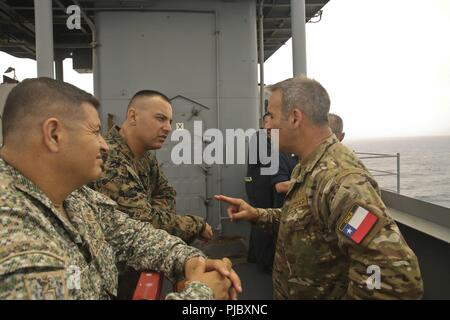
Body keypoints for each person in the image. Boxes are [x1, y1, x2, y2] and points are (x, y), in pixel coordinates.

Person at [0, 78, 241, 299]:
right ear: (54, 135)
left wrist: (188, 260)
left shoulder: (74, 196)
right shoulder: (16, 236)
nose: (105, 144)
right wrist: (201, 294)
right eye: (95, 131)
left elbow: (132, 235)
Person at [215, 75, 423, 299]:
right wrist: (258, 214)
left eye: (271, 116)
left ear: (295, 118)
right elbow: (306, 220)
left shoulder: (342, 181)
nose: (267, 125)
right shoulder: (308, 166)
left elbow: (394, 278)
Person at [90, 90, 212, 244]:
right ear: (133, 116)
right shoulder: (109, 159)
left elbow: (167, 194)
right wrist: (196, 225)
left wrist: (153, 214)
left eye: (170, 121)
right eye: (160, 118)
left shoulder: (146, 156)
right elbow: (143, 223)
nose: (168, 128)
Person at [244, 113, 276, 272]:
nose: (271, 125)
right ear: (264, 123)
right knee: (261, 220)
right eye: (269, 121)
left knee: (257, 219)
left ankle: (254, 255)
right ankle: (265, 262)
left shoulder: (272, 138)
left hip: (263, 183)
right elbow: (268, 159)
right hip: (257, 183)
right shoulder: (259, 137)